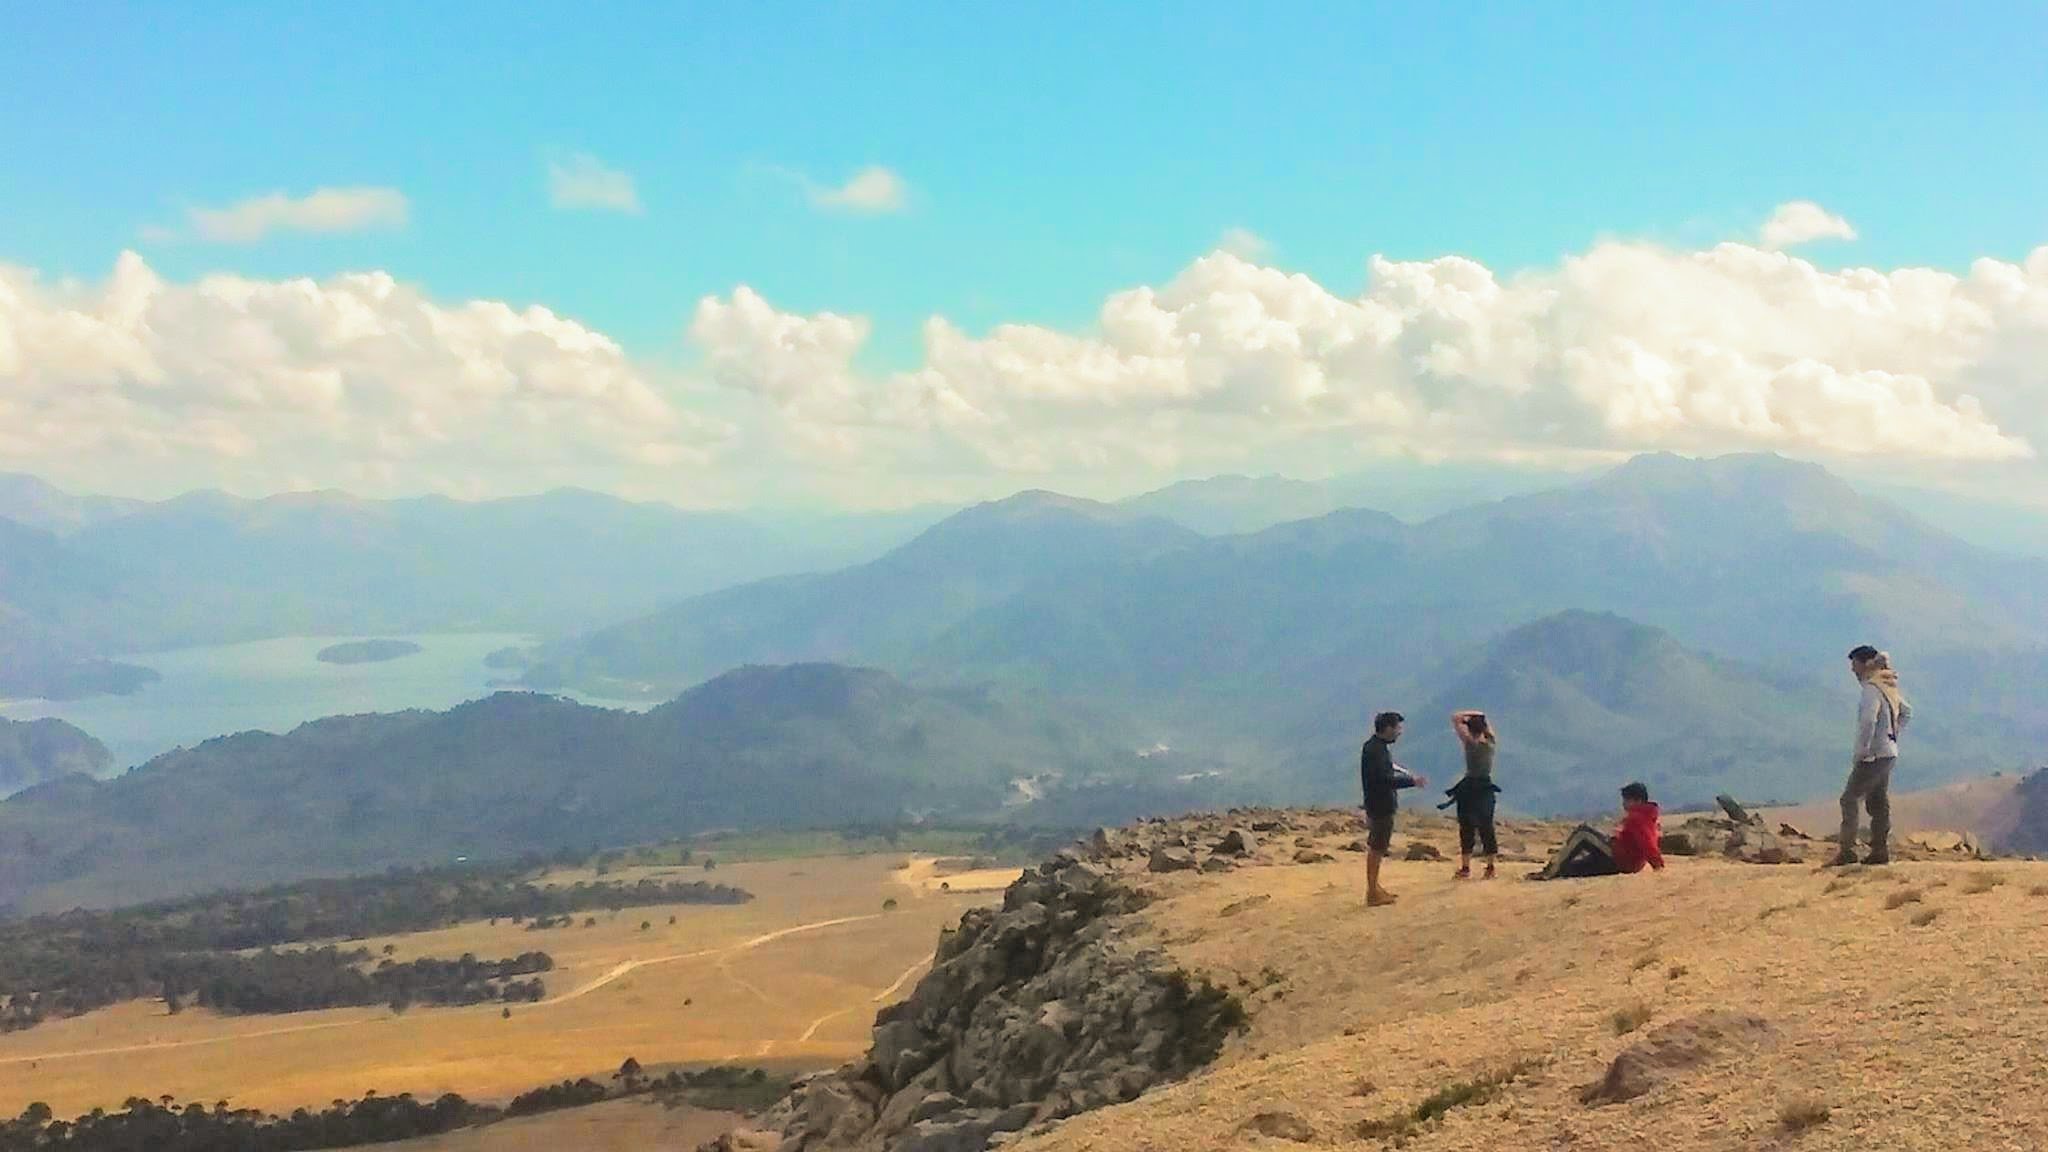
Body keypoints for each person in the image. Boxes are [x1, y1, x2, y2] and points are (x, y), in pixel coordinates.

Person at [1832, 645, 1912, 867]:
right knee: (1878, 801)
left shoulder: (1871, 689)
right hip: (1888, 752)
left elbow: (1868, 721)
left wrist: (1863, 750)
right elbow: (1907, 712)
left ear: (1864, 664)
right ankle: (1879, 850)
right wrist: (1893, 735)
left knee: (1849, 799)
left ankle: (1847, 851)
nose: (1852, 669)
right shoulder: (1887, 686)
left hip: (1874, 755)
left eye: (1854, 664)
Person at [1361, 711, 1425, 907]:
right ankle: (1372, 891)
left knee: (1378, 846)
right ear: (1388, 728)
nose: (1399, 732)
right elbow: (1384, 780)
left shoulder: (1375, 748)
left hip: (1377, 803)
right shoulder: (1376, 750)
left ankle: (1375, 887)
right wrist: (1411, 781)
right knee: (1377, 847)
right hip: (1380, 804)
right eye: (1397, 728)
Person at [1539, 782, 1665, 880]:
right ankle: (1556, 870)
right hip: (1622, 860)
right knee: (1573, 868)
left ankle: (1549, 872)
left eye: (1627, 800)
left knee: (1583, 833)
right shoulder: (1645, 816)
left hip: (1621, 860)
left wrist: (1657, 865)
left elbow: (1647, 842)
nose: (1623, 804)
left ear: (1638, 800)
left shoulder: (1638, 818)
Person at [1439, 710, 1501, 879]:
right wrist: (1481, 715)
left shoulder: (1470, 743)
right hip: (1485, 786)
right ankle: (1490, 867)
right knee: (1486, 826)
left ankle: (1465, 868)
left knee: (1466, 827)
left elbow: (1455, 718)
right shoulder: (1491, 743)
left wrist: (1468, 716)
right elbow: (1485, 723)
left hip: (1469, 787)